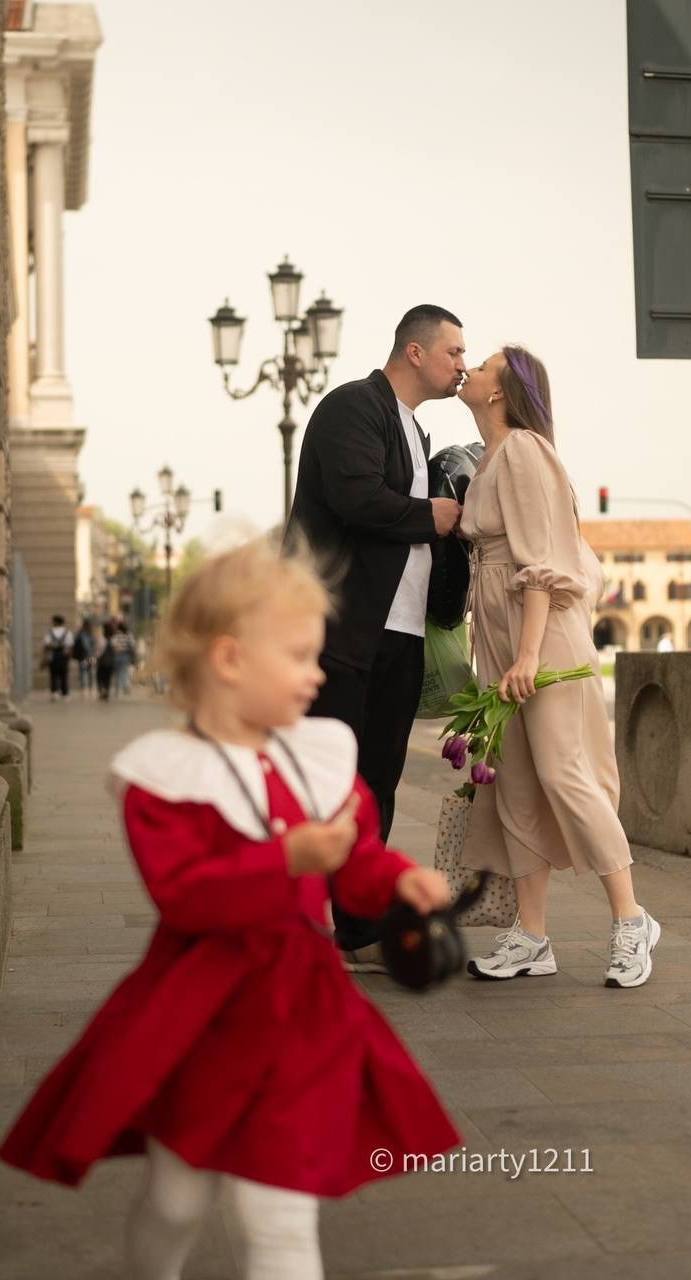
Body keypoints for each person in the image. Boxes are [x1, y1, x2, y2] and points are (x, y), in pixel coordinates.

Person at [0, 538, 459, 1280]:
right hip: (200, 1009)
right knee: (178, 1198)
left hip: (298, 1007)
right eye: (300, 656)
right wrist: (287, 859)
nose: (318, 673)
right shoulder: (166, 777)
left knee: (278, 1213)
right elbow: (184, 894)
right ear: (230, 660)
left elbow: (354, 858)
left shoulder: (314, 757)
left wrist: (401, 880)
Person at [457, 346, 660, 988]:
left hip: (540, 639)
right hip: (501, 639)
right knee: (516, 785)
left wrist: (527, 653)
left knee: (564, 775)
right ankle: (532, 937)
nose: (468, 368)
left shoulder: (524, 449)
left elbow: (540, 561)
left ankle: (631, 920)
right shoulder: (489, 457)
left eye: (481, 363)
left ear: (501, 390)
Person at [286, 304, 465, 971]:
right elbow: (356, 498)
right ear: (415, 352)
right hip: (341, 630)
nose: (461, 365)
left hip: (400, 632)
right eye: (453, 351)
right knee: (325, 782)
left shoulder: (414, 430)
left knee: (377, 782)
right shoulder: (351, 407)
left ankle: (358, 929)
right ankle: (297, 924)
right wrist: (431, 515)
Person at [42, 615, 73, 701]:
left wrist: (45, 654)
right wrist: (69, 657)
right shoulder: (67, 632)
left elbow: (46, 645)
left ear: (55, 622)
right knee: (64, 675)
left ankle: (54, 692)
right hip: (63, 655)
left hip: (53, 655)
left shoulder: (50, 632)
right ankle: (65, 693)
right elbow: (70, 646)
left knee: (53, 674)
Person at [71, 619, 96, 697]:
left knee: (85, 672)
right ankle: (86, 689)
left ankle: (86, 689)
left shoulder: (81, 634)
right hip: (86, 656)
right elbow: (89, 646)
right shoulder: (86, 634)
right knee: (86, 672)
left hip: (85, 656)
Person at [112, 620, 136, 695]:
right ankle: (124, 685)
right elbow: (132, 644)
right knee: (124, 671)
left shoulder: (116, 634)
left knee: (117, 672)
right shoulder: (129, 634)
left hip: (117, 655)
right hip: (126, 655)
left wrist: (118, 647)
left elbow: (113, 643)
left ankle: (118, 687)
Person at [96, 621, 116, 702]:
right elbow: (115, 650)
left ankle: (101, 691)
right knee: (108, 678)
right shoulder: (113, 639)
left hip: (102, 661)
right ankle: (106, 690)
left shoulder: (101, 639)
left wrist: (97, 657)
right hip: (110, 662)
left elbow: (98, 651)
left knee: (100, 677)